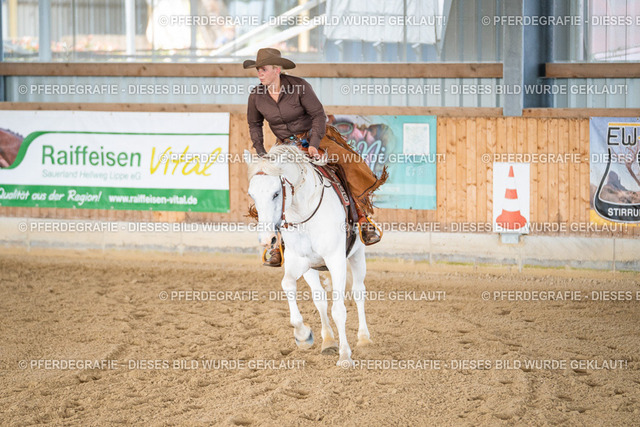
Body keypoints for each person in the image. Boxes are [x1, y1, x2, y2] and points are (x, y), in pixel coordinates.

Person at [244, 48, 386, 267]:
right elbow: (254, 124)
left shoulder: (300, 87)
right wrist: (261, 152)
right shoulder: (256, 95)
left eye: (263, 69)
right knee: (267, 183)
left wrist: (314, 144)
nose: (259, 73)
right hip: (284, 145)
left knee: (347, 164)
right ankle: (275, 242)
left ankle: (362, 219)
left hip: (314, 137)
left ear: (277, 69)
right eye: (258, 70)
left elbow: (318, 115)